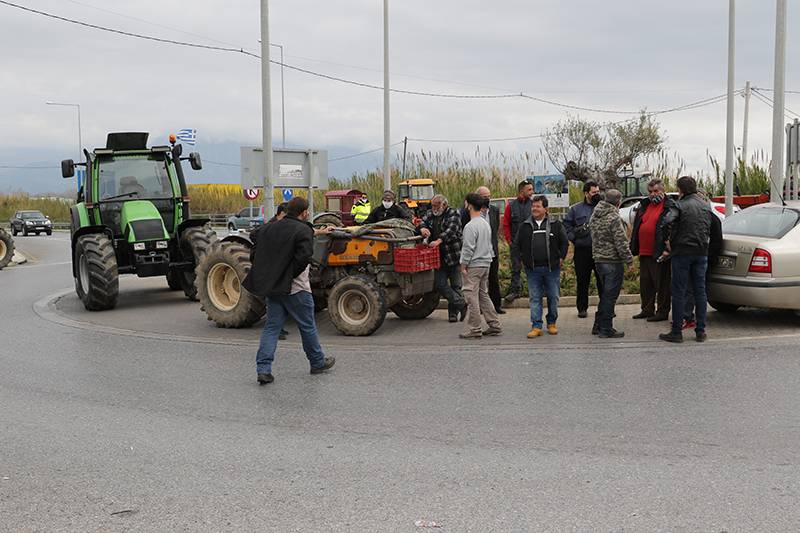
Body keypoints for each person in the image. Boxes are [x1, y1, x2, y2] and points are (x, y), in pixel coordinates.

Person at [243, 197, 336, 385]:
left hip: (274, 288)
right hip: (297, 289)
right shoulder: (303, 230)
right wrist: (287, 275)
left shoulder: (269, 228)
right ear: (304, 213)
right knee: (307, 326)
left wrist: (271, 273)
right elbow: (303, 258)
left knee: (271, 328)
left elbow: (254, 242)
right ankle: (317, 362)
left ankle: (263, 369)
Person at [658, 176, 712, 343]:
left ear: (680, 190)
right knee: (700, 291)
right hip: (701, 252)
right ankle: (700, 330)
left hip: (682, 252)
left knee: (679, 292)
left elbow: (666, 221)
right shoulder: (705, 205)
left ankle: (676, 331)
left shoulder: (679, 205)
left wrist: (668, 241)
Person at [512, 195, 568, 338]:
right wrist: (521, 261)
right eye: (533, 206)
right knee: (535, 298)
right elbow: (516, 246)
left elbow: (564, 242)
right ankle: (536, 325)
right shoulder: (525, 226)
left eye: (538, 206)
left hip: (552, 269)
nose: (534, 209)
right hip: (533, 270)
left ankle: (552, 323)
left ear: (546, 209)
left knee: (553, 297)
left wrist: (561, 257)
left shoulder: (555, 224)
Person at [589, 189, 633, 338]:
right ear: (618, 202)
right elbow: (621, 242)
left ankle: (598, 325)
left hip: (599, 260)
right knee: (610, 297)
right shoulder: (614, 217)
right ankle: (606, 328)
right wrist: (629, 260)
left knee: (605, 295)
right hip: (612, 262)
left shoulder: (595, 215)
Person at [629, 178, 674, 322]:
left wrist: (668, 248)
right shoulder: (645, 205)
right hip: (644, 251)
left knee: (661, 284)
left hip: (659, 252)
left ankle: (662, 311)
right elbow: (637, 225)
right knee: (645, 283)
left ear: (663, 190)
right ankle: (647, 309)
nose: (653, 194)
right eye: (650, 192)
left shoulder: (669, 206)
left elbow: (672, 228)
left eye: (656, 191)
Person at [458, 193, 502, 339]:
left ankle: (474, 328)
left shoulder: (470, 226)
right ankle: (494, 324)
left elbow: (468, 248)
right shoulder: (485, 223)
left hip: (474, 265)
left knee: (471, 297)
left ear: (469, 205)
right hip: (486, 262)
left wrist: (463, 265)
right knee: (483, 295)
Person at [419, 195, 466, 322]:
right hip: (438, 257)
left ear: (444, 205)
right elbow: (422, 221)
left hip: (453, 255)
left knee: (456, 286)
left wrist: (438, 240)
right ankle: (461, 303)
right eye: (432, 205)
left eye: (436, 205)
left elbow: (451, 230)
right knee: (440, 285)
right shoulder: (430, 214)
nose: (433, 208)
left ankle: (453, 314)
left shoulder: (453, 213)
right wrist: (423, 228)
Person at [681, 190, 722, 331]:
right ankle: (689, 318)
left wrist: (710, 259)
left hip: (702, 258)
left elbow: (717, 241)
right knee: (689, 289)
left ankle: (695, 320)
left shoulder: (712, 218)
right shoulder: (695, 217)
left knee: (696, 290)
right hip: (695, 256)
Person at [250, 202, 290, 340]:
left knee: (278, 299)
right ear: (280, 214)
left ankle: (279, 328)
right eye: (286, 215)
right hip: (268, 266)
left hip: (274, 265)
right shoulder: (271, 226)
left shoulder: (280, 225)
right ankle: (276, 330)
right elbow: (253, 235)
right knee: (273, 300)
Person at [563, 180, 602, 318]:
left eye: (598, 192)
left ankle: (605, 308)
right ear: (586, 193)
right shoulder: (575, 209)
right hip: (582, 251)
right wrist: (575, 238)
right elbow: (566, 226)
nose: (597, 194)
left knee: (602, 281)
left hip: (600, 251)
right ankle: (582, 308)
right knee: (582, 281)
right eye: (594, 192)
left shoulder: (604, 208)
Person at [502, 180, 534, 303]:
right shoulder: (511, 206)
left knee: (532, 268)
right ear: (522, 191)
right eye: (529, 190)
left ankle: (535, 291)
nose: (532, 192)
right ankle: (515, 291)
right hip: (515, 244)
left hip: (531, 244)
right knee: (516, 269)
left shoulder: (534, 205)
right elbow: (506, 224)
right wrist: (510, 241)